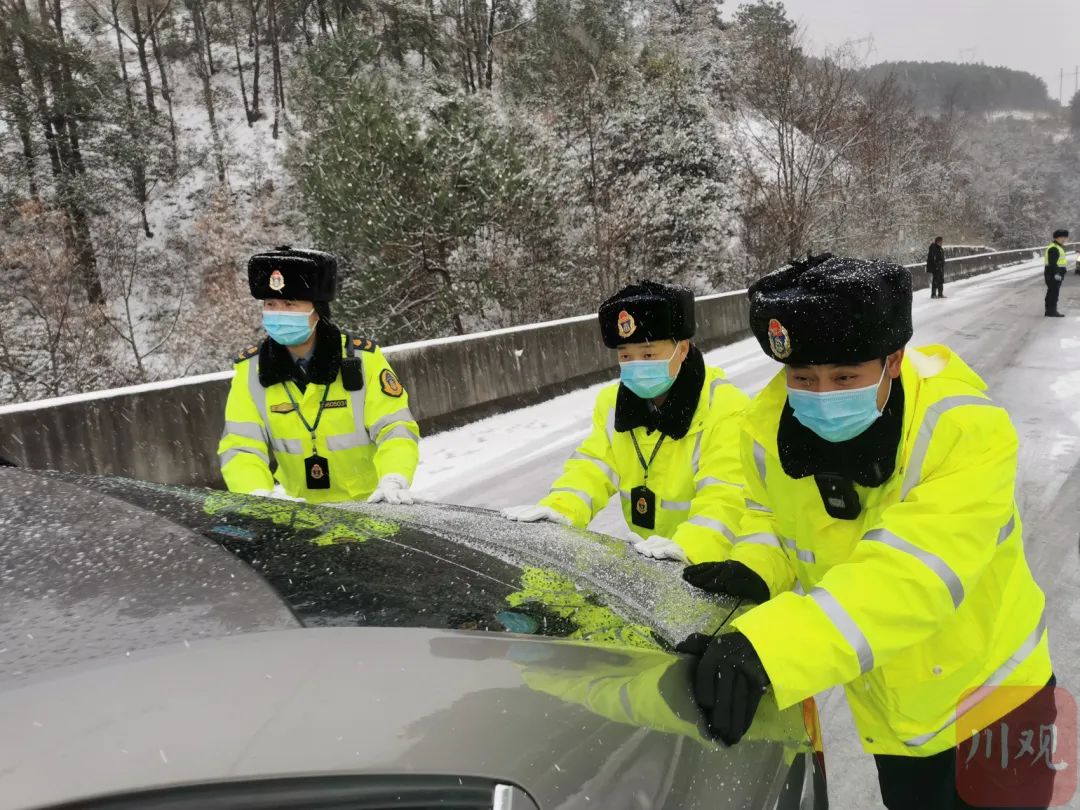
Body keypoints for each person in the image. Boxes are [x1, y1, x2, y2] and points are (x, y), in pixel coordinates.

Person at [678, 254, 1056, 810]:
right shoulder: (766, 429)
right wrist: (756, 568)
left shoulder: (963, 428)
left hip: (995, 708)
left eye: (845, 377)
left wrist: (774, 648)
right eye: (802, 377)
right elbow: (769, 520)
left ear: (894, 361)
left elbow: (913, 574)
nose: (821, 395)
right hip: (895, 717)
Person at [501, 281, 750, 565]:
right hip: (654, 563)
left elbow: (725, 496)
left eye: (648, 354)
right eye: (625, 356)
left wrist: (689, 549)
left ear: (681, 349)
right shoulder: (612, 404)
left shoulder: (725, 406)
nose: (636, 366)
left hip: (717, 567)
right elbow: (592, 467)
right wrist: (560, 510)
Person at [218, 246, 420, 504]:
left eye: (290, 304)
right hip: (301, 517)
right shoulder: (251, 370)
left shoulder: (361, 360)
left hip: (372, 506)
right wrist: (258, 495)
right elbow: (241, 447)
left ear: (318, 310)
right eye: (271, 304)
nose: (279, 313)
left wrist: (394, 476)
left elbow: (396, 428)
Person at [1044, 229, 1068, 317]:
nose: (1064, 239)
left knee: (1052, 292)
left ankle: (1049, 311)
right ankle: (1051, 311)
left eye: (1065, 237)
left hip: (1053, 273)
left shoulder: (1057, 247)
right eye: (1062, 237)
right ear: (1056, 238)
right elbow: (1052, 263)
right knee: (1053, 293)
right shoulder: (1054, 248)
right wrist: (1057, 273)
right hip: (1053, 273)